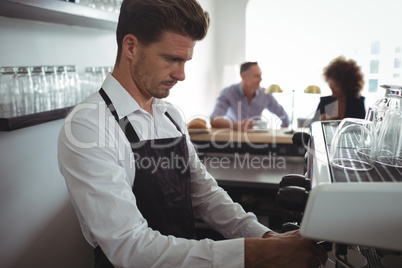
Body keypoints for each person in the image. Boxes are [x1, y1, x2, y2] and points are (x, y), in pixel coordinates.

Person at [58, 0, 327, 267]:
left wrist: (267, 237)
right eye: (172, 59)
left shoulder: (170, 115)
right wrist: (259, 253)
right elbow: (130, 247)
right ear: (131, 46)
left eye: (186, 60)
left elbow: (204, 194)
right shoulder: (88, 125)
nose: (181, 74)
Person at [210, 62, 290, 131]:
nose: (261, 79)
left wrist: (279, 134)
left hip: (258, 141)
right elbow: (214, 120)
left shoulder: (266, 95)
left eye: (260, 75)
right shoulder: (228, 93)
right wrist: (237, 125)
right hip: (234, 140)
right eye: (256, 76)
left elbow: (285, 118)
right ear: (243, 76)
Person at [313, 56, 366, 121]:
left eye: (336, 85)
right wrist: (320, 120)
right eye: (331, 83)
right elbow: (312, 126)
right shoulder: (325, 101)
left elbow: (362, 128)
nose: (332, 87)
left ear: (347, 84)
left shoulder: (357, 103)